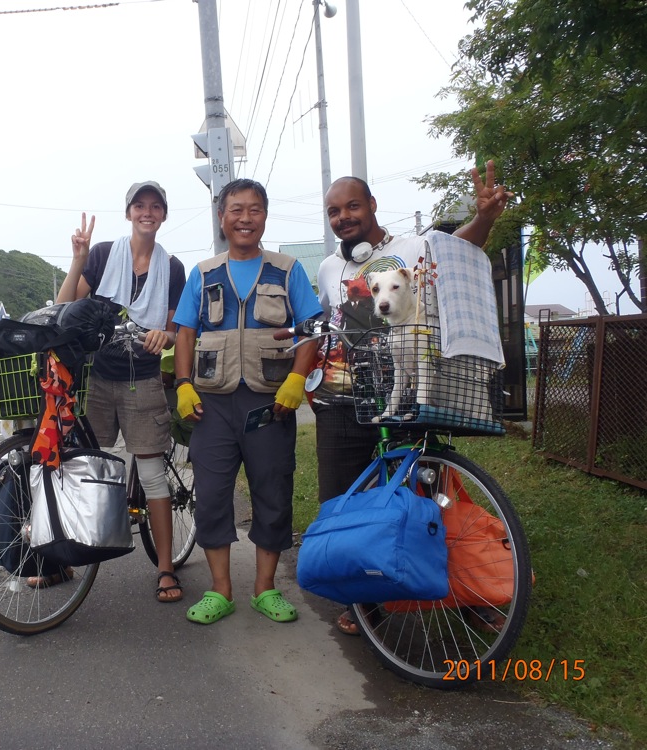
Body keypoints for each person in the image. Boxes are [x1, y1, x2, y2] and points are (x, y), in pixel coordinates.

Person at [315, 160, 513, 635]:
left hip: (409, 397)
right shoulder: (328, 267)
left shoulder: (412, 247)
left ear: (373, 206)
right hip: (346, 398)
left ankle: (469, 592)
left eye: (353, 206)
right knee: (348, 500)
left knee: (430, 498)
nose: (343, 217)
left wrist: (484, 216)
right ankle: (362, 600)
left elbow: (462, 247)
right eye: (334, 211)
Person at [172, 178, 322, 625]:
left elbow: (311, 329)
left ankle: (265, 589)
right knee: (212, 497)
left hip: (271, 404)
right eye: (235, 210)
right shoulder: (202, 273)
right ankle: (221, 591)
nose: (244, 218)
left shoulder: (287, 269)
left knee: (273, 493)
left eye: (253, 209)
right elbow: (184, 332)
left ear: (264, 216)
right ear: (222, 218)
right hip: (213, 406)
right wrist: (183, 384)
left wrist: (296, 380)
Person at [54, 180, 188, 602]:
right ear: (129, 212)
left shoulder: (174, 268)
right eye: (139, 205)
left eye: (155, 206)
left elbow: (174, 327)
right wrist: (77, 259)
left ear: (163, 215)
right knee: (82, 469)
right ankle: (67, 555)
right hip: (99, 377)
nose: (147, 212)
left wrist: (164, 337)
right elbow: (64, 308)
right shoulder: (101, 255)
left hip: (144, 377)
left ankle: (166, 568)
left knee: (150, 475)